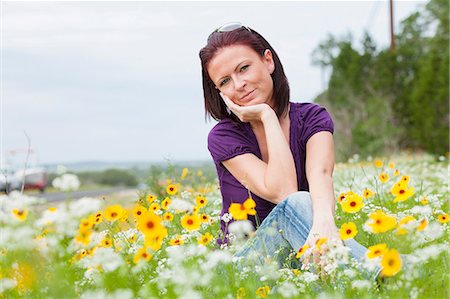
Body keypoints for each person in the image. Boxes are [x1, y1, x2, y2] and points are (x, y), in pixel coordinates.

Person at [199, 22, 376, 276]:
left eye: (244, 68)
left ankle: (362, 274)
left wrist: (325, 224)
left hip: (305, 249)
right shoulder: (224, 136)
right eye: (225, 81)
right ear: (220, 92)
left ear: (268, 61)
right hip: (248, 262)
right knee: (298, 201)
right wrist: (267, 116)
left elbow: (321, 174)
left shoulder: (312, 118)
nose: (238, 84)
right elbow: (283, 192)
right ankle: (380, 271)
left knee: (319, 269)